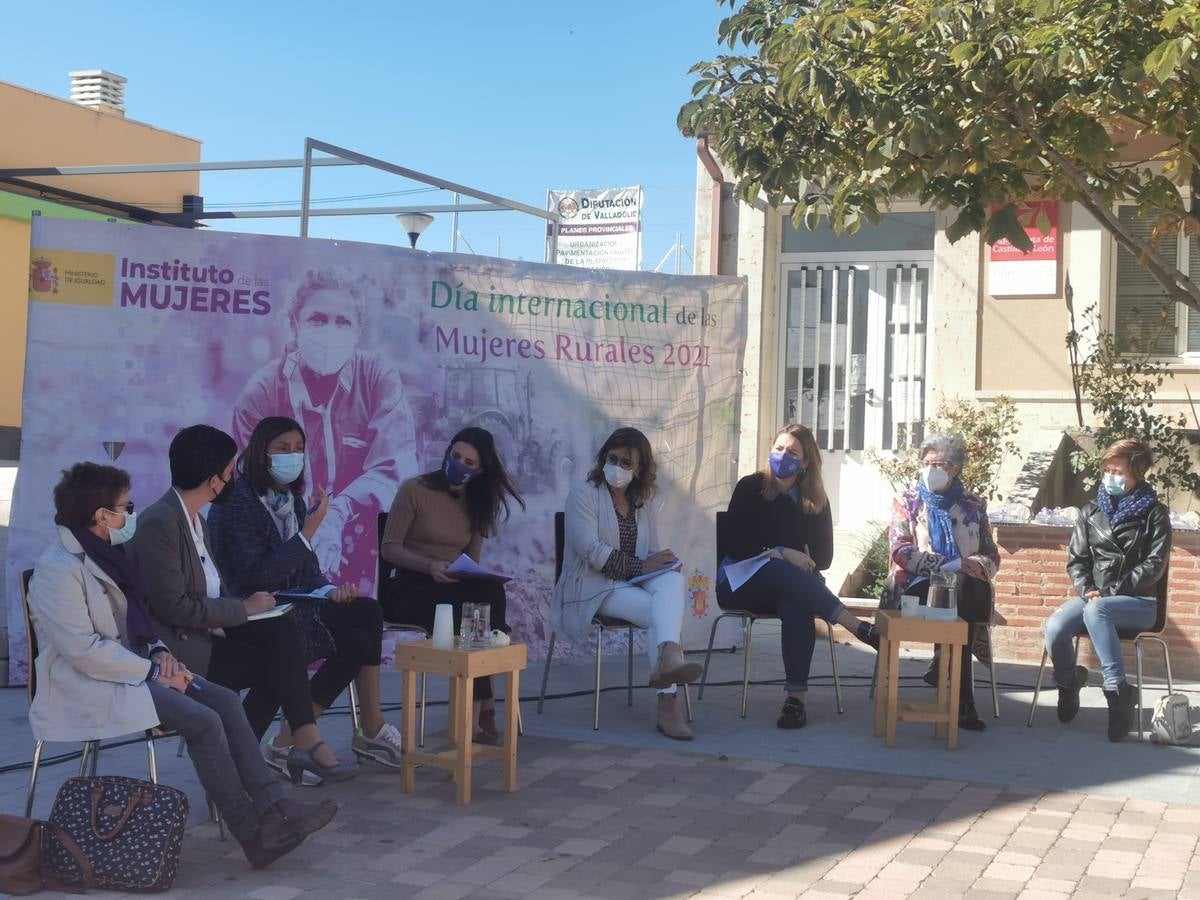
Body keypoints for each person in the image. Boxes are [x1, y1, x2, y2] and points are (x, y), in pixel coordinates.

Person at [27, 462, 337, 870]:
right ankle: (253, 835)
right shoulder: (57, 571)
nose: (130, 513)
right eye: (125, 506)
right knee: (203, 720)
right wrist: (154, 671)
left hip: (131, 670)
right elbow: (84, 651)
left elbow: (136, 620)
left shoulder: (104, 553)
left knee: (224, 701)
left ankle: (277, 807)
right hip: (90, 681)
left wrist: (159, 652)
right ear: (102, 516)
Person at [129, 424, 356, 785]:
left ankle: (265, 753)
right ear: (213, 478)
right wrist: (245, 608)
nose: (233, 476)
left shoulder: (194, 520)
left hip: (205, 634)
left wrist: (252, 609)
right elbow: (176, 607)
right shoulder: (160, 522)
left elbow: (211, 594)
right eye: (229, 469)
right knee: (278, 660)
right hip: (180, 650)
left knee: (282, 638)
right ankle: (265, 754)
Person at [208, 416, 402, 770]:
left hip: (295, 605)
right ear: (259, 453)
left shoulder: (292, 501)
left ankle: (341, 731)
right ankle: (289, 742)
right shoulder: (235, 502)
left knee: (367, 614)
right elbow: (255, 577)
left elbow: (308, 571)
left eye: (298, 449)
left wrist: (330, 591)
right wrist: (307, 533)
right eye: (282, 449)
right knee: (337, 639)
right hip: (252, 611)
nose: (292, 456)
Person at [232, 267, 419, 591]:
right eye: (318, 318)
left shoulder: (375, 377)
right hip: (279, 549)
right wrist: (305, 530)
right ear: (295, 323)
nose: (331, 331)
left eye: (343, 321)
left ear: (358, 330)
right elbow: (245, 484)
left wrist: (336, 515)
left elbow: (395, 468)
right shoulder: (263, 390)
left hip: (362, 547)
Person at [720, 424, 880, 729]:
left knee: (796, 603)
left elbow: (824, 557)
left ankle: (796, 700)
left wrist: (795, 558)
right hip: (740, 582)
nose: (783, 456)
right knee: (782, 569)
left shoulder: (814, 499)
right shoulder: (750, 488)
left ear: (805, 462)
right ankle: (858, 627)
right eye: (779, 448)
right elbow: (737, 546)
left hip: (786, 587)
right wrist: (781, 551)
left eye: (792, 452)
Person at [552, 427, 703, 741]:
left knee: (672, 579)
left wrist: (663, 561)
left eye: (626, 463)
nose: (617, 467)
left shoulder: (640, 502)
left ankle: (669, 659)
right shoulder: (583, 493)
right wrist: (644, 565)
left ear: (640, 470)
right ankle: (668, 695)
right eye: (612, 458)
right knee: (658, 615)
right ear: (603, 457)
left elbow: (648, 553)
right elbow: (592, 553)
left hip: (628, 581)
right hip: (592, 586)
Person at [379, 427, 525, 744]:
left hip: (452, 584)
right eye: (455, 456)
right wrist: (429, 565)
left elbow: (470, 561)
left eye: (469, 462)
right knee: (467, 612)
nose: (459, 464)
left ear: (480, 470)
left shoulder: (478, 502)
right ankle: (478, 712)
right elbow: (389, 547)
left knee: (487, 595)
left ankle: (479, 704)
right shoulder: (414, 490)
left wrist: (466, 573)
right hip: (410, 584)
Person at [1044, 438, 1171, 742]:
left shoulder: (1155, 513)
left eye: (1119, 471)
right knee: (1055, 626)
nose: (1112, 476)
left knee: (1097, 610)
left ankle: (1117, 692)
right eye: (1108, 469)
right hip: (1094, 597)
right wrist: (1087, 588)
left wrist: (1112, 590)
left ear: (1138, 474)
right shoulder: (1090, 511)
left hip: (1139, 600)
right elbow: (1077, 559)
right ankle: (1068, 681)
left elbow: (1155, 564)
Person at [886, 432, 1000, 732]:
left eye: (939, 463)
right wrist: (945, 565)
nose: (931, 469)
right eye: (926, 462)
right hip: (918, 586)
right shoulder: (907, 501)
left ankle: (945, 662)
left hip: (965, 587)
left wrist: (970, 564)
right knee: (959, 587)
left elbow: (991, 555)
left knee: (965, 586)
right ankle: (963, 701)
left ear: (956, 469)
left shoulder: (974, 505)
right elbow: (900, 550)